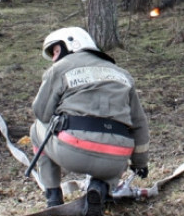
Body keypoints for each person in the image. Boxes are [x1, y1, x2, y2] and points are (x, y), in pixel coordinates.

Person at [29, 27, 150, 215]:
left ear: (72, 44)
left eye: (55, 51)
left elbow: (41, 113)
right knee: (110, 160)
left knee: (36, 129)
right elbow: (140, 123)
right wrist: (140, 163)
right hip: (117, 157)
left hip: (74, 151)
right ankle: (99, 189)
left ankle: (53, 199)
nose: (54, 57)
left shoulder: (60, 68)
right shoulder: (123, 74)